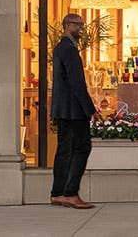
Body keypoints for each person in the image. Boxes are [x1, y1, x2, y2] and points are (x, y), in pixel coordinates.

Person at [49, 13, 98, 210]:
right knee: (82, 148)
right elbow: (77, 83)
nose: (82, 29)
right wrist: (90, 109)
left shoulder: (61, 48)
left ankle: (58, 193)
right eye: (78, 25)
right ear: (68, 25)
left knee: (64, 150)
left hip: (64, 109)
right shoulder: (69, 49)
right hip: (73, 110)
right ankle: (70, 193)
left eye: (82, 25)